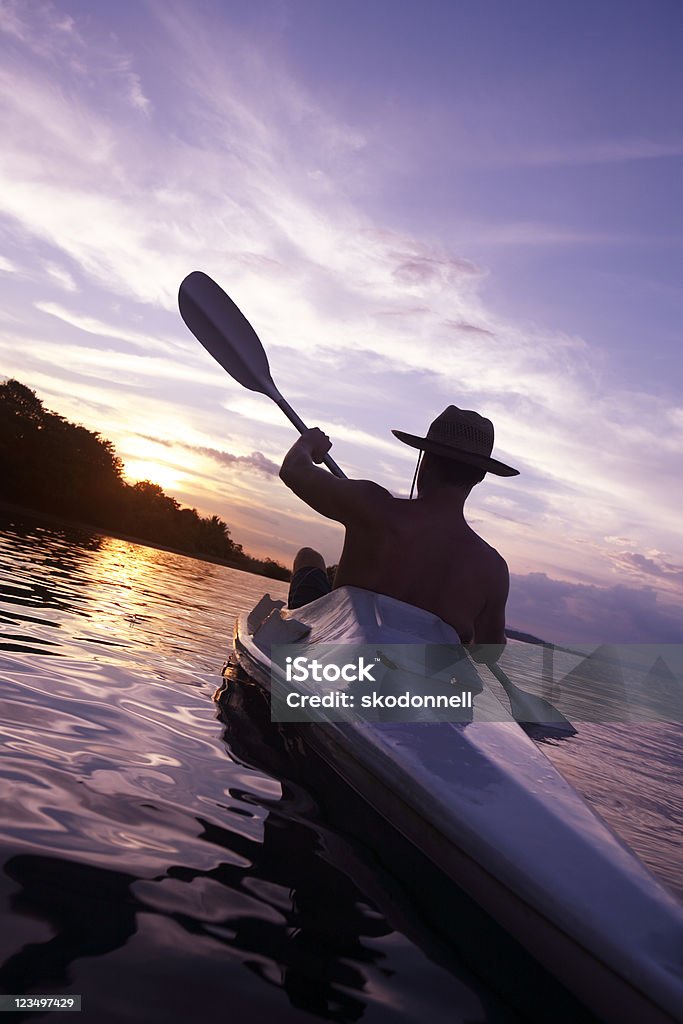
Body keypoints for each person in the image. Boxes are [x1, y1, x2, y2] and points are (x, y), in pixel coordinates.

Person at [279, 405, 519, 664]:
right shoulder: (493, 569)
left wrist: (309, 443)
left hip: (339, 666)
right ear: (479, 477)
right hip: (416, 691)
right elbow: (487, 654)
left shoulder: (374, 508)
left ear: (425, 461)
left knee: (308, 557)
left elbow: (293, 469)